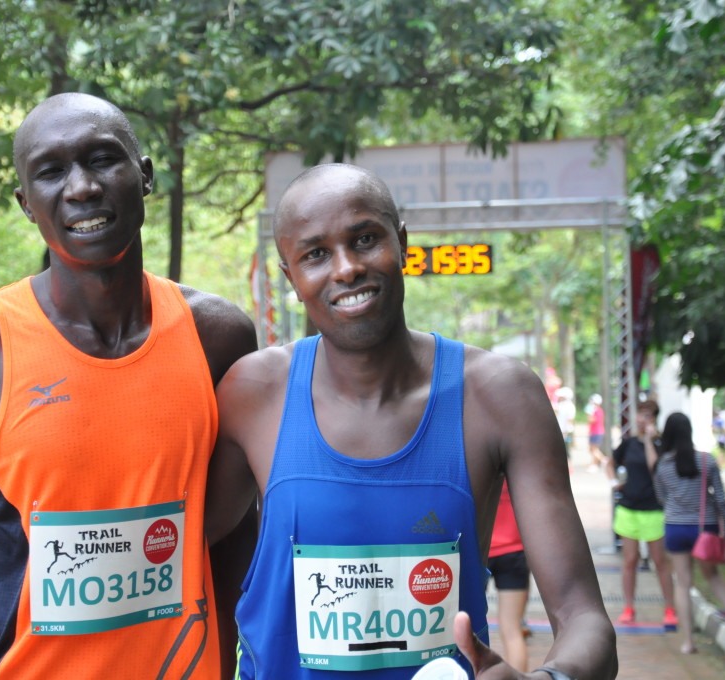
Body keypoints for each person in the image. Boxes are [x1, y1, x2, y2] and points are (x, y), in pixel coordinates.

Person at [0, 93, 257, 680]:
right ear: (27, 205)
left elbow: (232, 530)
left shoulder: (218, 337)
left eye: (102, 159)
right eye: (51, 172)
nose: (81, 188)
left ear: (144, 176)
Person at [206, 163, 617, 679]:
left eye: (364, 239)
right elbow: (192, 558)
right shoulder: (254, 392)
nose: (346, 267)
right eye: (315, 254)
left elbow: (584, 618)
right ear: (290, 276)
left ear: (402, 243)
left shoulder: (499, 395)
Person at [649, 412, 725, 654]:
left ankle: (688, 641)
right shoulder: (707, 461)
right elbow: (720, 498)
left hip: (676, 528)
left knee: (683, 583)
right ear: (689, 432)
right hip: (705, 527)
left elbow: (662, 499)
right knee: (713, 576)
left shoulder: (662, 466)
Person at [610, 399, 676, 628]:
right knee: (630, 559)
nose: (641, 419)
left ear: (654, 419)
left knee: (660, 561)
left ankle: (670, 608)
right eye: (640, 414)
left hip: (653, 509)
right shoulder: (627, 444)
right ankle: (628, 607)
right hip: (628, 508)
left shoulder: (660, 444)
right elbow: (611, 460)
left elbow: (655, 468)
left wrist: (649, 440)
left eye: (647, 416)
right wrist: (613, 481)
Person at [487, 483, 530, 671]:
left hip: (479, 551)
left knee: (467, 629)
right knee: (512, 630)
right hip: (515, 551)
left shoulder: (477, 460)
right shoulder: (517, 464)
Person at [585, 394, 606, 471]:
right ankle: (594, 464)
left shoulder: (598, 411)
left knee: (594, 449)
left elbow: (592, 420)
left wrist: (589, 414)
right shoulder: (595, 410)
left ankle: (604, 461)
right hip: (594, 432)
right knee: (592, 449)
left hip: (597, 432)